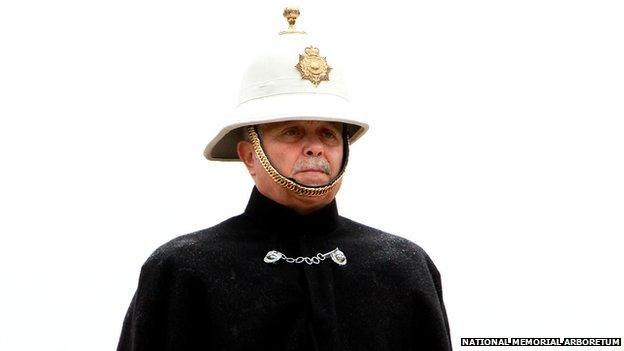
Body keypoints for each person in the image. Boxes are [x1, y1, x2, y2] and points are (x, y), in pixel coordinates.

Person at [117, 7, 452, 351]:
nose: (314, 148)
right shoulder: (181, 271)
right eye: (292, 132)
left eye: (328, 134)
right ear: (249, 155)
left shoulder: (403, 267)